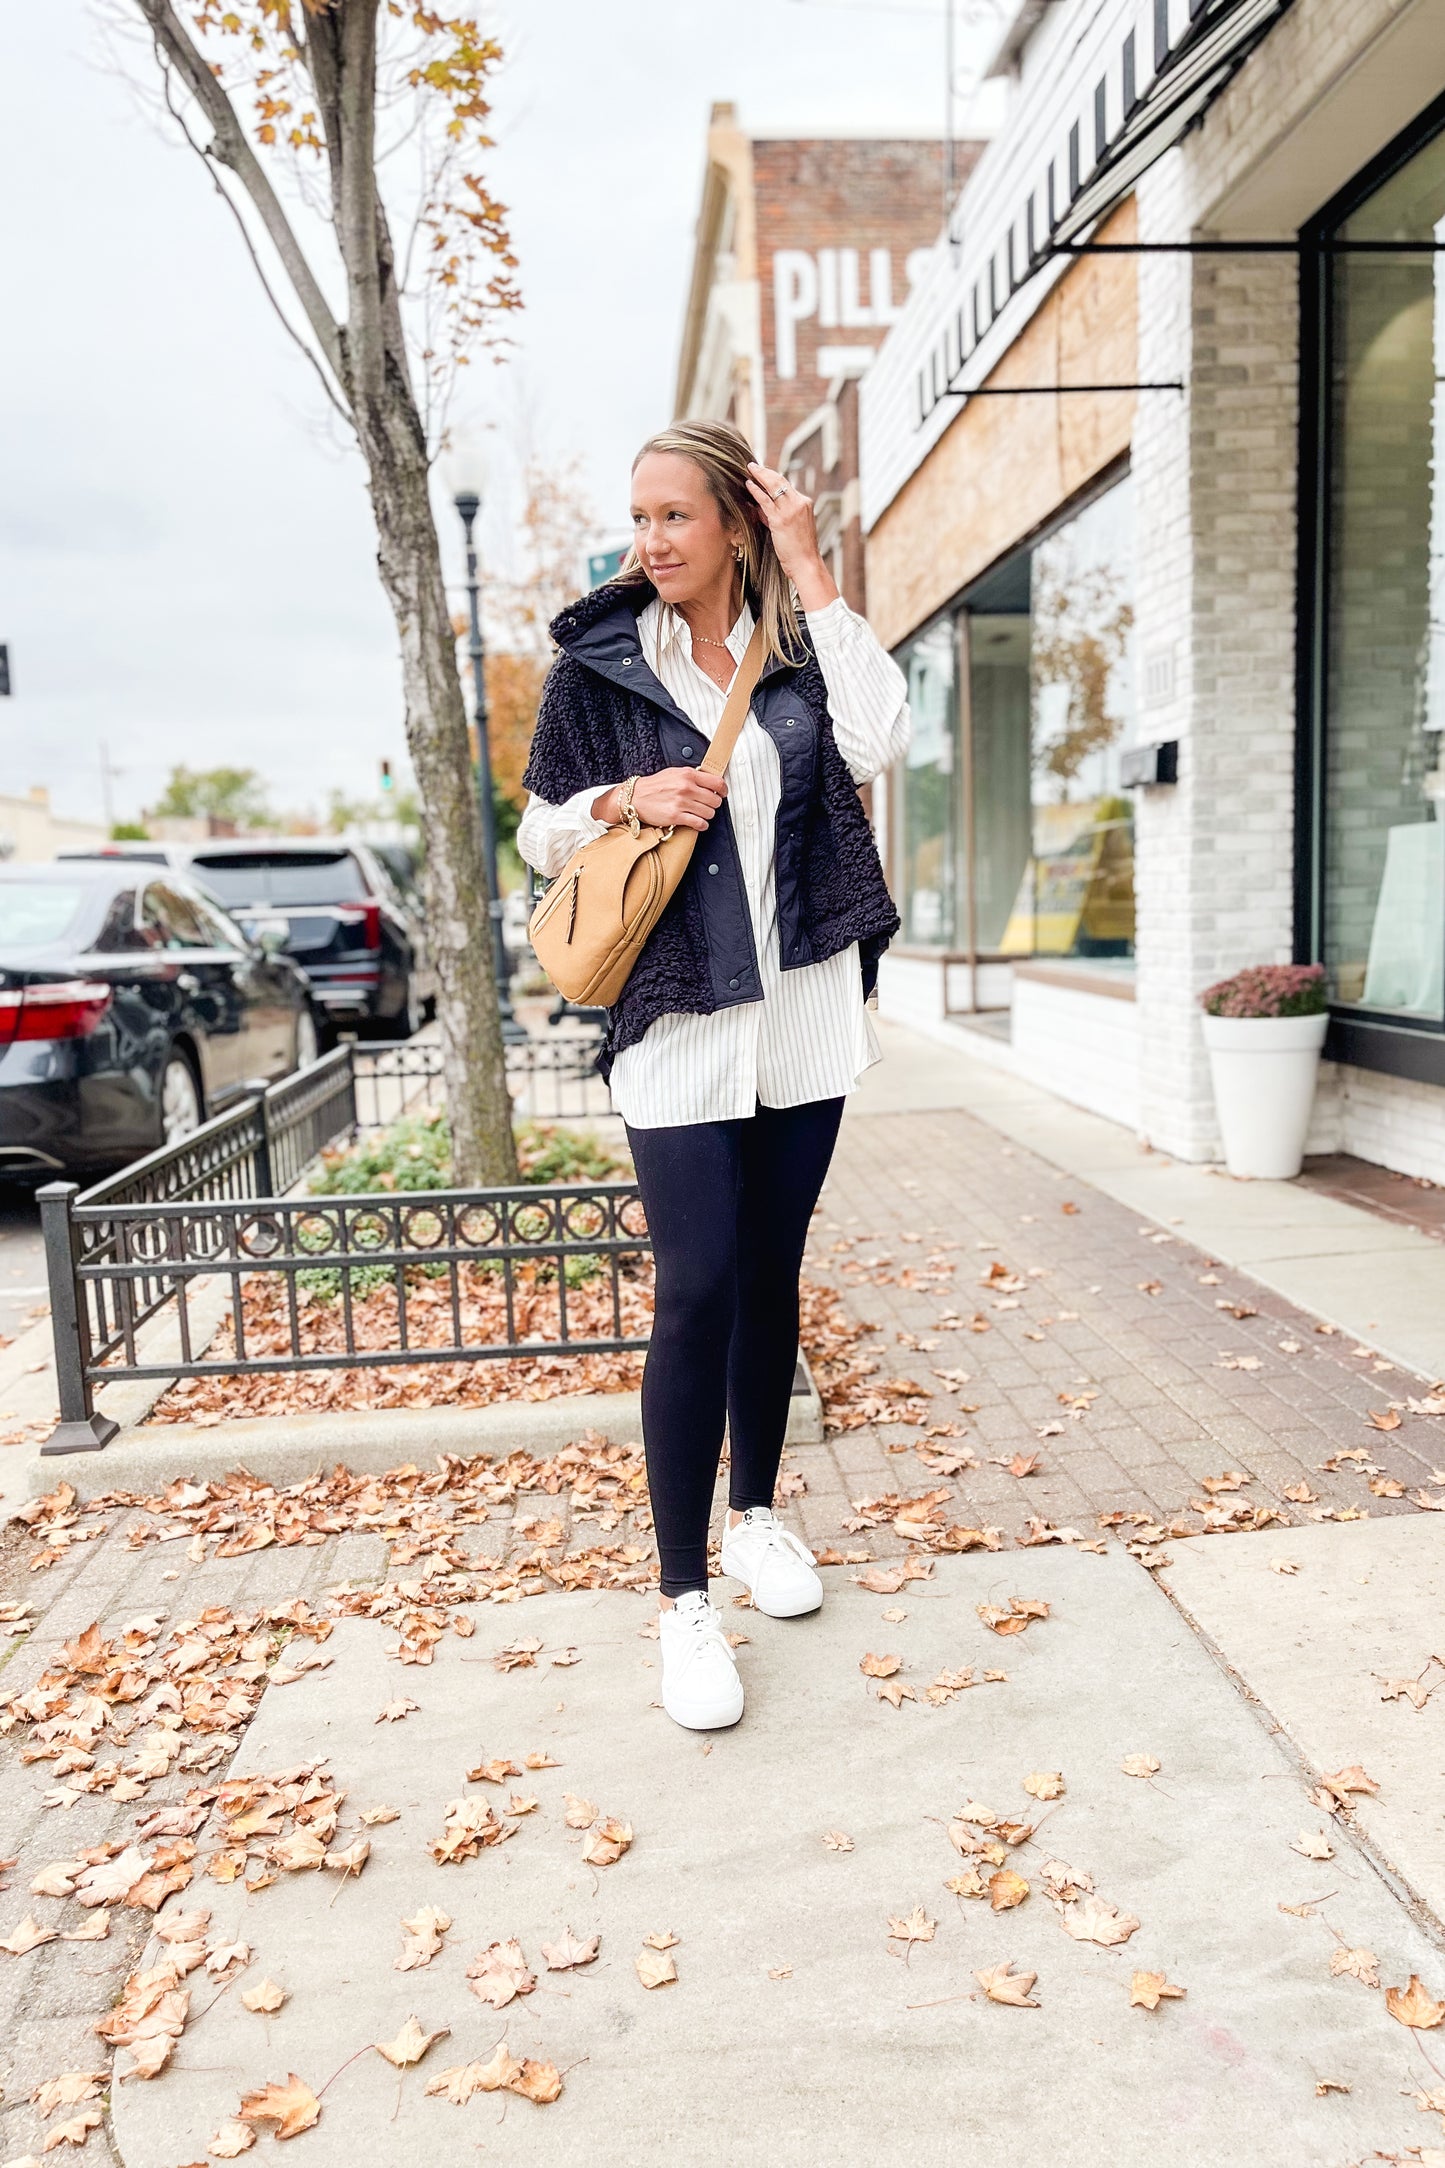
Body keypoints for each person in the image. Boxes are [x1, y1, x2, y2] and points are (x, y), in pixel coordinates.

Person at [519, 419, 909, 1731]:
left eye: (674, 517)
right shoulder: (598, 662)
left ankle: (753, 1518)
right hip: (680, 1019)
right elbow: (535, 825)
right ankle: (682, 1598)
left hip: (799, 1011)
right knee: (691, 1291)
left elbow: (877, 738)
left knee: (767, 1278)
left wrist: (812, 566)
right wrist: (624, 800)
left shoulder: (795, 655)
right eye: (639, 518)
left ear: (733, 523)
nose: (650, 542)